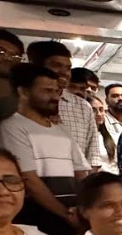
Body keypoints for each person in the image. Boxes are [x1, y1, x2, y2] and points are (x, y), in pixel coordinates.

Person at [0, 63, 89, 235]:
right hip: (36, 220)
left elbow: (80, 173)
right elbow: (29, 179)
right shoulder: (11, 128)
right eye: (47, 91)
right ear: (23, 92)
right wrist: (66, 214)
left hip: (73, 218)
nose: (55, 97)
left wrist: (86, 209)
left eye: (56, 91)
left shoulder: (62, 130)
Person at [26, 41, 100, 172]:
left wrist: (88, 182)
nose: (64, 72)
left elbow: (93, 156)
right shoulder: (22, 102)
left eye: (68, 68)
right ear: (37, 66)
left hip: (76, 179)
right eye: (56, 65)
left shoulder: (82, 107)